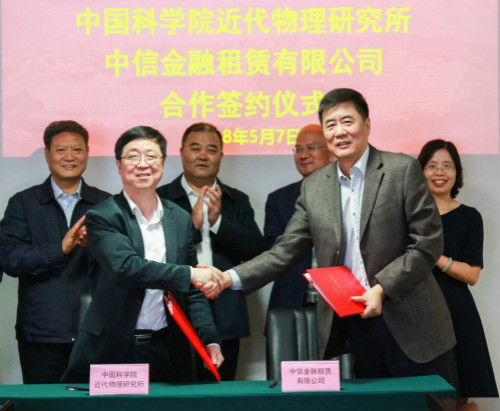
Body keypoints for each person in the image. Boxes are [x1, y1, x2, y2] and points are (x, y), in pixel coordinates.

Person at [203, 88, 459, 387]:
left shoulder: (400, 169)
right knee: (375, 405)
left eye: (347, 121)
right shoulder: (315, 187)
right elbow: (284, 251)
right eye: (331, 124)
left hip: (413, 321)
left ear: (367, 124)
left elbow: (427, 243)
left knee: (429, 404)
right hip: (357, 321)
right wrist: (227, 278)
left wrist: (382, 288)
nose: (340, 132)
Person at [62, 126, 223, 383]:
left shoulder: (180, 219)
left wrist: (209, 339)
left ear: (163, 163)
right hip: (113, 349)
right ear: (119, 165)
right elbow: (127, 267)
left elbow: (192, 291)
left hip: (167, 349)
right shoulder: (103, 216)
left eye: (151, 156)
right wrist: (191, 273)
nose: (143, 164)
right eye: (133, 156)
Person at [0, 120, 110, 383]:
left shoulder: (107, 204)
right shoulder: (23, 203)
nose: (69, 156)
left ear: (87, 153)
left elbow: (123, 265)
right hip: (41, 335)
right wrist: (60, 248)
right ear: (47, 155)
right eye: (61, 150)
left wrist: (98, 247)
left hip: (95, 333)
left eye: (77, 149)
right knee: (43, 402)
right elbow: (9, 259)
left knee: (95, 402)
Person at [157, 122, 264, 381]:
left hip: (226, 310)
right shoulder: (160, 198)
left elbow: (256, 251)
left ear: (221, 156)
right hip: (175, 309)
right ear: (181, 152)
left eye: (211, 150)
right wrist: (192, 226)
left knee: (220, 389)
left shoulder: (237, 199)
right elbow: (155, 254)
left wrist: (217, 223)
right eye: (195, 148)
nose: (203, 156)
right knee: (176, 390)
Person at [418, 139, 498, 397]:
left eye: (447, 166)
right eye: (432, 166)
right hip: (415, 312)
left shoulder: (470, 217)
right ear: (421, 172)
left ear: (456, 172)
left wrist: (436, 256)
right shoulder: (408, 215)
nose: (439, 172)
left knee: (465, 393)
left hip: (457, 312)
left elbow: (472, 275)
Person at [265, 124, 333, 312]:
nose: (303, 155)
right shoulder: (279, 199)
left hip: (339, 302)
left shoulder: (350, 194)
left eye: (311, 147)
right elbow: (273, 252)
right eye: (298, 149)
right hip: (291, 302)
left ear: (331, 153)